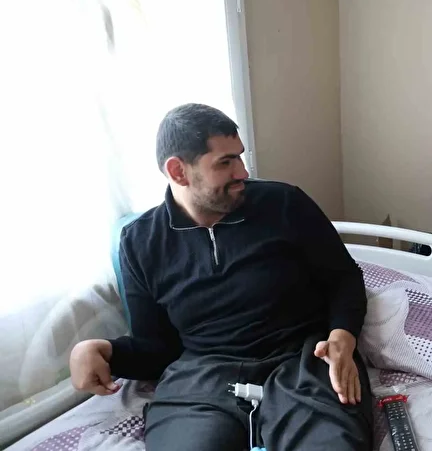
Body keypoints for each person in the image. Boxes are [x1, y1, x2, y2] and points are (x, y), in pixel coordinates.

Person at [69, 104, 373, 451]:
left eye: (240, 157)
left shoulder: (285, 204)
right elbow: (157, 348)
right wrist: (101, 351)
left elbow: (344, 278)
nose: (242, 172)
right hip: (202, 378)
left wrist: (342, 336)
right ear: (178, 171)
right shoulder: (140, 242)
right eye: (225, 162)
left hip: (302, 362)